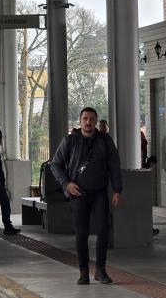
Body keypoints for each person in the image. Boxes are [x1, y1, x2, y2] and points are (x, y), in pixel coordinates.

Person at [49, 107, 123, 285]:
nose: (88, 122)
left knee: (103, 231)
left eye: (91, 119)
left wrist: (117, 189)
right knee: (81, 233)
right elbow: (55, 164)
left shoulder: (105, 142)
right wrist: (66, 184)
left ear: (96, 121)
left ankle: (100, 270)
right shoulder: (70, 141)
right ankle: (83, 271)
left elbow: (114, 166)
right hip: (78, 194)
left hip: (99, 193)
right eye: (85, 119)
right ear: (80, 121)